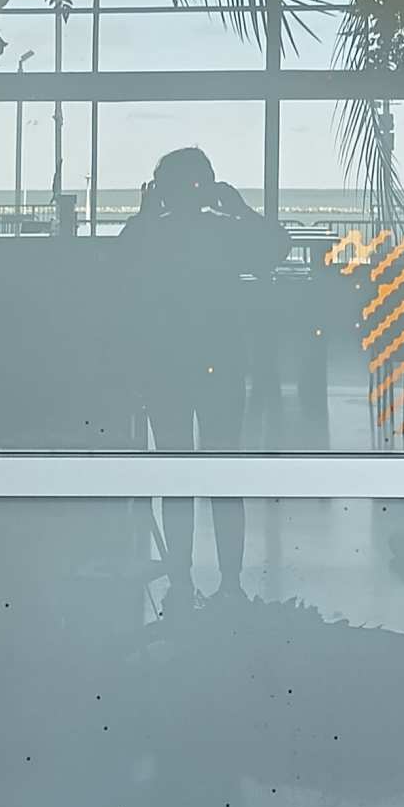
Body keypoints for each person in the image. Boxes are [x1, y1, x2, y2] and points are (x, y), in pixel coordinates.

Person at [120, 147, 290, 601]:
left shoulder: (147, 234)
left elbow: (122, 274)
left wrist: (143, 213)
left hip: (164, 364)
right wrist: (239, 209)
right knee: (223, 469)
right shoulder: (225, 232)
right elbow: (277, 248)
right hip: (221, 362)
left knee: (176, 472)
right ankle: (230, 580)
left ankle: (179, 577)